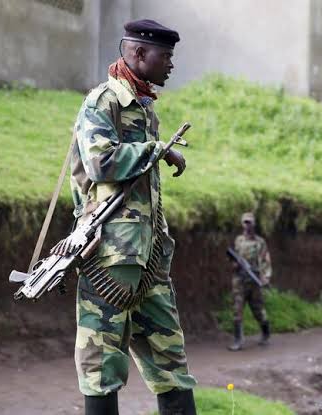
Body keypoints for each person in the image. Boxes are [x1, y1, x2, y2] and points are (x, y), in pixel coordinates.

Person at [52, 18, 196, 415]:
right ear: (137, 53)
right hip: (108, 258)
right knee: (102, 367)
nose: (170, 64)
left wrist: (157, 149)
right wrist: (156, 150)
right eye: (165, 56)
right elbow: (100, 163)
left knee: (172, 366)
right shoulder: (104, 102)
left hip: (147, 261)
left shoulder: (143, 106)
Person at [228, 212, 272, 351]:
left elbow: (265, 260)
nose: (247, 225)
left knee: (258, 310)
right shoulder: (238, 240)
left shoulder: (260, 242)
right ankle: (238, 340)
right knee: (237, 310)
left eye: (250, 222)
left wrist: (265, 277)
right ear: (242, 224)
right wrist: (235, 264)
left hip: (254, 279)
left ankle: (265, 332)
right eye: (245, 222)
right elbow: (234, 258)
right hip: (239, 280)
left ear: (254, 224)